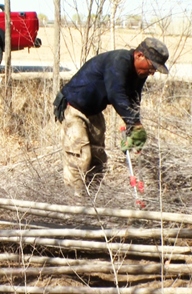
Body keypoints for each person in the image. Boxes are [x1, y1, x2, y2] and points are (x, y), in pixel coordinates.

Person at [53, 37, 169, 195]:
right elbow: (116, 94)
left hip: (94, 111)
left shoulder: (140, 73)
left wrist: (133, 126)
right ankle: (75, 202)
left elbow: (134, 98)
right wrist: (135, 124)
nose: (153, 72)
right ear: (139, 55)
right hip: (73, 108)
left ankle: (93, 199)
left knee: (97, 158)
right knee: (80, 158)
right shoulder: (119, 61)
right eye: (152, 66)